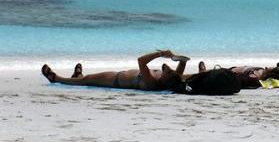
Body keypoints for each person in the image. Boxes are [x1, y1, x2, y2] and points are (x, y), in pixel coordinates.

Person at [41, 50, 187, 91]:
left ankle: (57, 78)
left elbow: (141, 61)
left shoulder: (151, 83)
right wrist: (178, 58)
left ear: (165, 79)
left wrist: (160, 54)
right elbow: (180, 70)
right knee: (86, 78)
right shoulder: (170, 79)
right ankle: (77, 76)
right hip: (117, 75)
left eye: (167, 71)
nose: (166, 68)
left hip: (114, 80)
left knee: (87, 80)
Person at [194, 61, 279, 89]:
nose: (267, 66)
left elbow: (243, 81)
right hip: (230, 70)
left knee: (209, 74)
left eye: (270, 68)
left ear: (271, 73)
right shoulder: (261, 71)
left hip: (226, 74)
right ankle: (204, 73)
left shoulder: (254, 78)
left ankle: (203, 73)